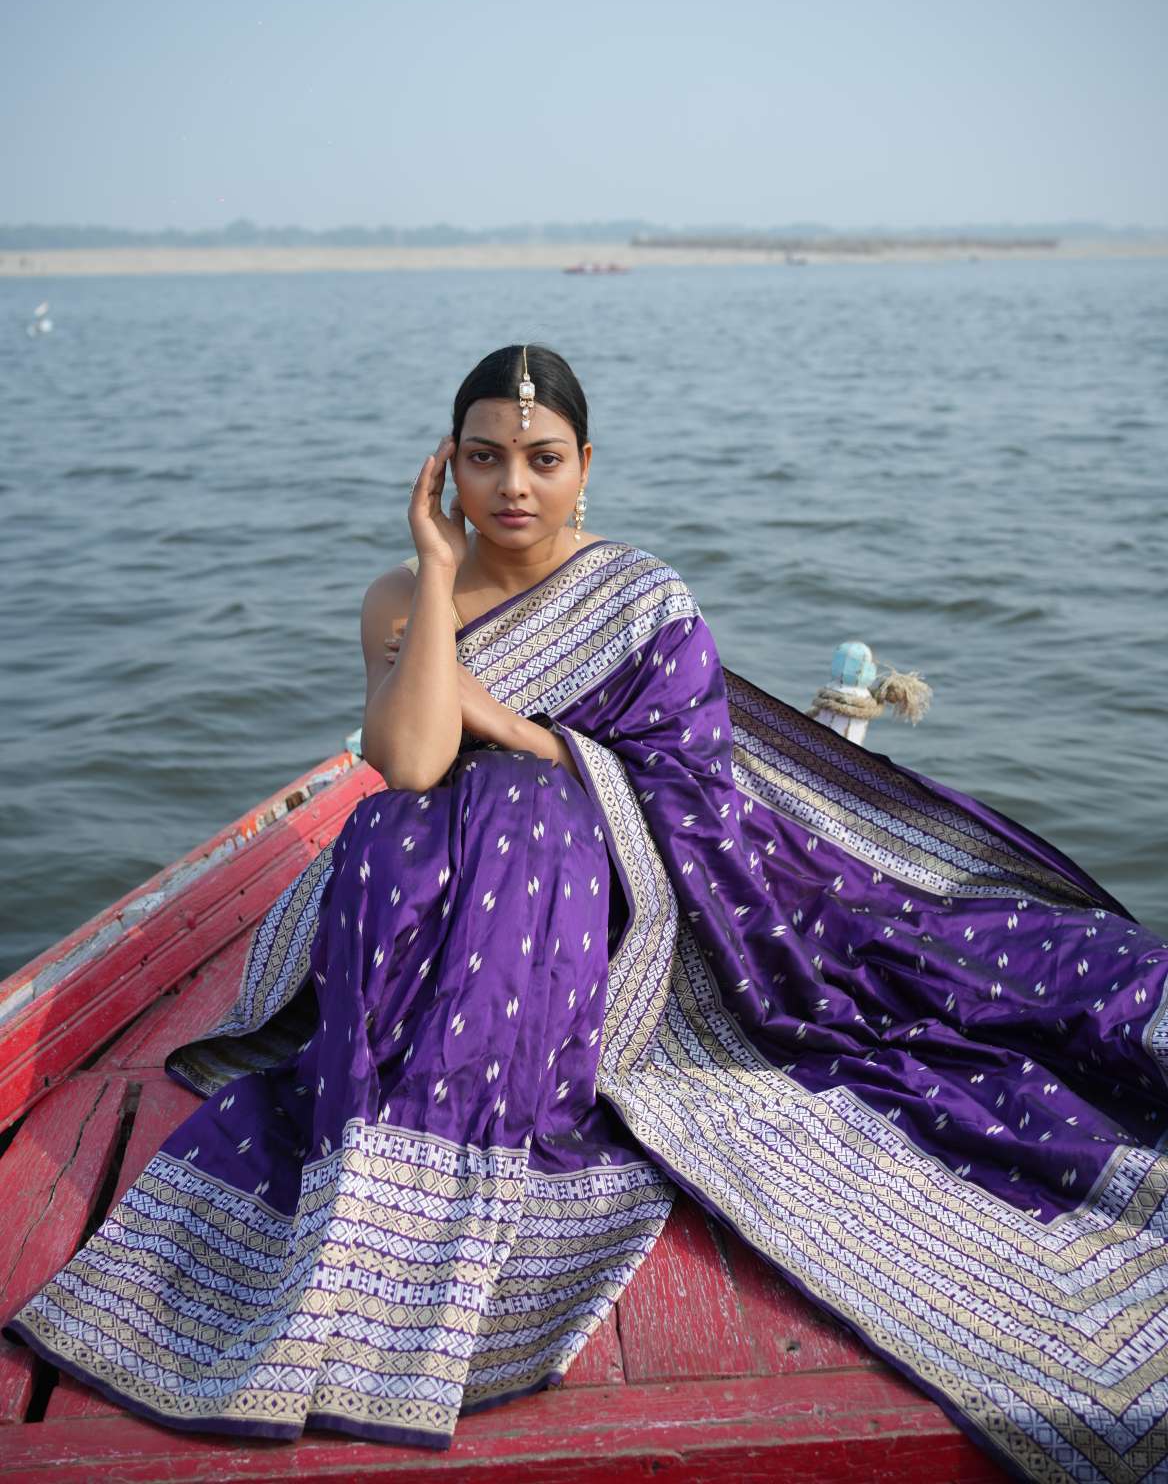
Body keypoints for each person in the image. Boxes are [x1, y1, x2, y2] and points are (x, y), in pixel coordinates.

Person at [6, 343, 1168, 1482]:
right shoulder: (403, 597)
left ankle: (475, 1135)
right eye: (484, 458)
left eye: (542, 458)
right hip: (429, 866)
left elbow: (691, 792)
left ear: (585, 465)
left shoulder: (641, 599)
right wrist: (433, 573)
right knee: (394, 831)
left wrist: (519, 733)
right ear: (445, 469)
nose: (513, 486)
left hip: (607, 886)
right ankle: (400, 1165)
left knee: (530, 803)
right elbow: (407, 760)